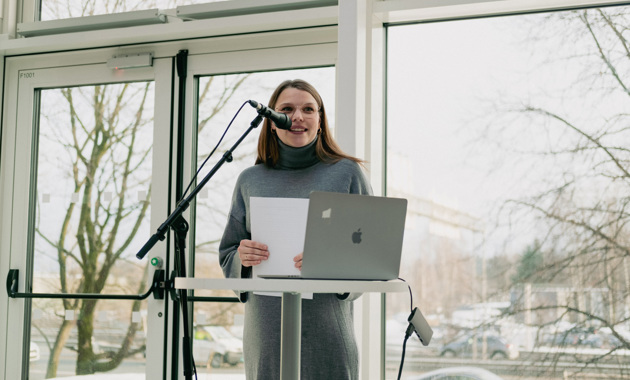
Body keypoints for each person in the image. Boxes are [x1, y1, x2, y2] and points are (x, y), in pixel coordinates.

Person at [218, 79, 372, 379]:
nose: (298, 116)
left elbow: (369, 256)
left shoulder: (347, 174)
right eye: (287, 109)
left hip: (327, 335)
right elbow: (228, 255)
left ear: (320, 119)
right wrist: (242, 258)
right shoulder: (250, 180)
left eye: (308, 109)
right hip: (266, 335)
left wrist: (333, 262)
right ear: (272, 123)